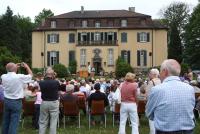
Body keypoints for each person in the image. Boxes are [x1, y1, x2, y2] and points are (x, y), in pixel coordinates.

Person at [146, 59, 195, 134]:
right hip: (188, 130)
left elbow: (149, 113)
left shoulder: (157, 89)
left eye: (160, 71)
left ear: (165, 72)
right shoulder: (190, 89)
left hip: (165, 131)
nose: (159, 75)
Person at [1, 62, 32, 134]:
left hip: (7, 101)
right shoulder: (19, 76)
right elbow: (31, 75)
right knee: (14, 122)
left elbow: (9, 71)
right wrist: (27, 67)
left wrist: (14, 67)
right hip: (16, 101)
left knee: (6, 120)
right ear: (15, 69)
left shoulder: (3, 76)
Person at [39, 68, 60, 134]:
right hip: (54, 102)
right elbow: (58, 88)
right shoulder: (56, 82)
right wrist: (54, 76)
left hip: (44, 102)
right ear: (53, 75)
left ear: (45, 74)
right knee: (53, 122)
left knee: (43, 121)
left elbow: (45, 80)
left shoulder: (41, 82)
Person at [144, 68, 161, 134]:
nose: (149, 74)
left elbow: (147, 95)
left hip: (153, 104)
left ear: (154, 74)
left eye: (150, 73)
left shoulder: (151, 82)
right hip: (160, 103)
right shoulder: (161, 81)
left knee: (152, 123)